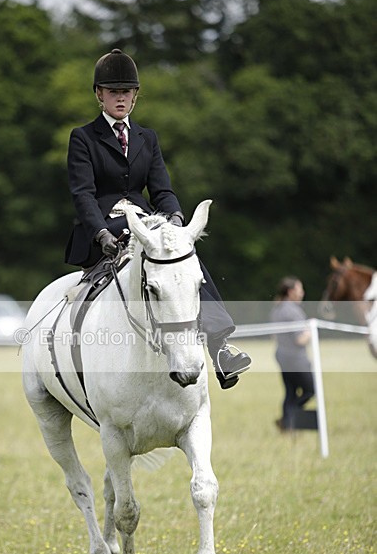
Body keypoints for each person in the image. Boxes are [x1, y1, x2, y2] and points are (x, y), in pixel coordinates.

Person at [64, 47, 251, 389]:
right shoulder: (83, 137)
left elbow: (161, 190)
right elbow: (83, 195)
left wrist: (177, 219)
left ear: (135, 96)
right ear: (99, 95)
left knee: (184, 257)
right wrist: (102, 233)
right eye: (113, 92)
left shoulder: (147, 138)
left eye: (126, 92)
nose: (120, 98)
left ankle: (219, 347)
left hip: (147, 225)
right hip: (104, 231)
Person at [270, 276, 315, 431]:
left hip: (282, 357)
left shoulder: (278, 308)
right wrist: (310, 331)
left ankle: (287, 425)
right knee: (311, 389)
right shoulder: (292, 311)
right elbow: (300, 339)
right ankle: (287, 418)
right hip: (296, 359)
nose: (302, 293)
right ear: (290, 292)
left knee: (290, 392)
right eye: (299, 289)